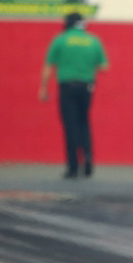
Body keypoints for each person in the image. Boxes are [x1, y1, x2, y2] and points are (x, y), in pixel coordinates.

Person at [39, 13, 109, 179]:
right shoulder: (93, 40)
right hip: (86, 88)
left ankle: (73, 166)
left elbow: (49, 66)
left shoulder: (60, 40)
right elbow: (104, 66)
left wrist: (43, 89)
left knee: (70, 125)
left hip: (67, 88)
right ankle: (88, 158)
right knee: (84, 122)